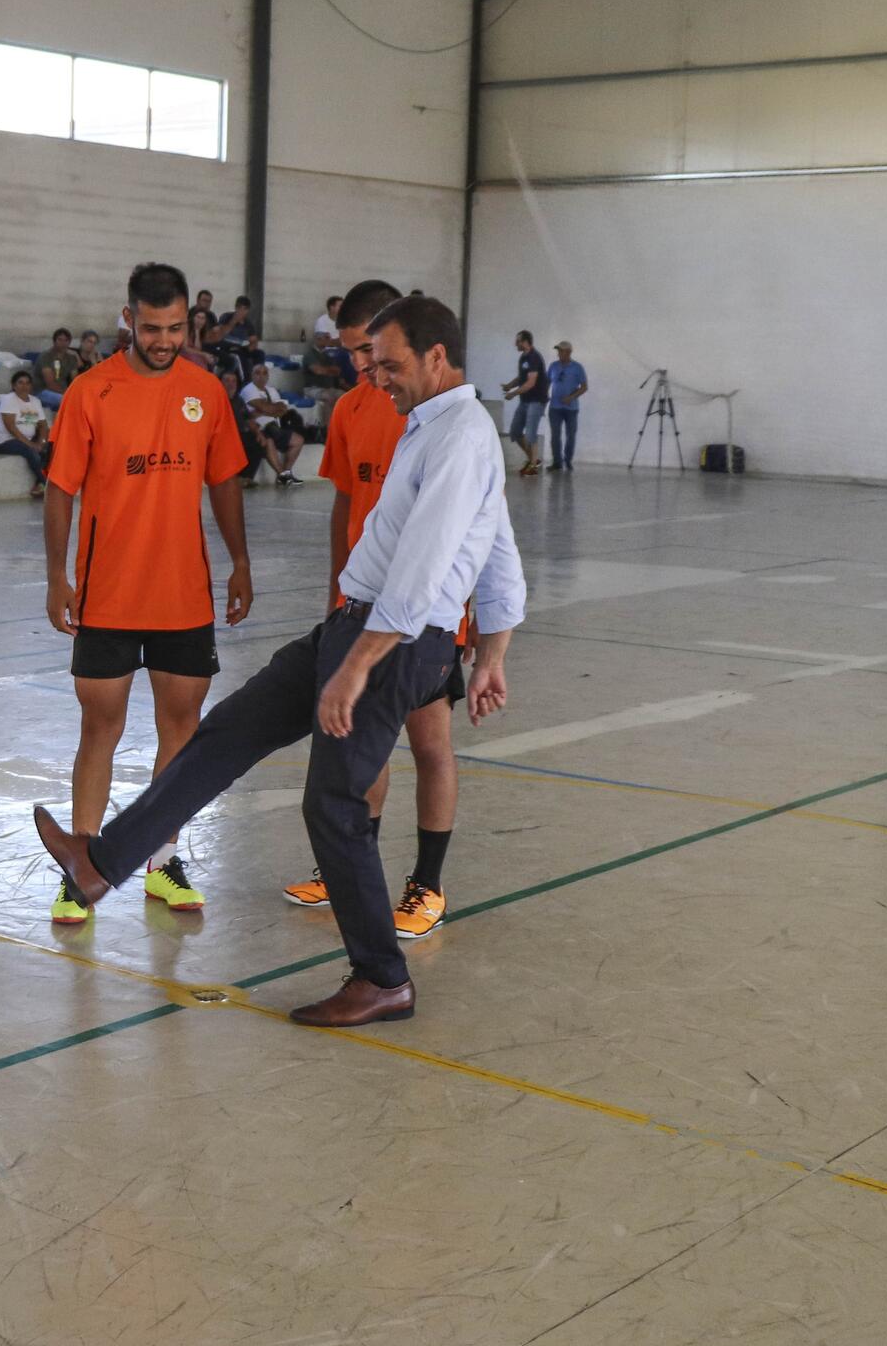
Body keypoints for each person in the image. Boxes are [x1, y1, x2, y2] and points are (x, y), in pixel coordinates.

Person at [34, 293, 525, 1026]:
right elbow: (501, 551)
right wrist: (493, 654)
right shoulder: (432, 426)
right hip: (353, 625)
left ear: (436, 357)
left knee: (333, 803)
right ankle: (101, 863)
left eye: (389, 363)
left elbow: (423, 574)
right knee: (228, 731)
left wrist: (358, 666)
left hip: (388, 644)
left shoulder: (459, 436)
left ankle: (382, 976)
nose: (376, 376)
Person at [38, 262, 253, 926]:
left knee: (181, 729)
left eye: (176, 327)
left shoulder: (206, 390)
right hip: (106, 593)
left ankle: (162, 859)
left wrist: (240, 559)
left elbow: (223, 480)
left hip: (183, 593)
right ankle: (79, 867)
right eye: (152, 327)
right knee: (99, 725)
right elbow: (59, 489)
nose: (164, 340)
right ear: (128, 318)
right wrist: (56, 576)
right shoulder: (90, 391)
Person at [282, 279, 467, 939]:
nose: (360, 365)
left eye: (369, 350)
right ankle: (347, 869)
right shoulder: (351, 410)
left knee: (428, 743)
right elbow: (343, 502)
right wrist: (337, 591)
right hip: (359, 609)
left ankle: (428, 884)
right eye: (350, 352)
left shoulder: (437, 416)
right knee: (360, 744)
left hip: (427, 616)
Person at [238, 361, 308, 487]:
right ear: (252, 375)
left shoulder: (272, 390)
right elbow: (269, 408)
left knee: (298, 440)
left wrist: (263, 410)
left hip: (275, 427)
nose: (261, 376)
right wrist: (270, 409)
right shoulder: (248, 390)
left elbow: (282, 411)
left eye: (264, 373)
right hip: (258, 429)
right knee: (269, 441)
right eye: (257, 373)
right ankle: (283, 476)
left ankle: (286, 473)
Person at [0, 369, 49, 497]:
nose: (24, 386)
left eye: (27, 383)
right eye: (20, 383)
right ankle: (47, 483)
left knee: (50, 449)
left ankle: (40, 484)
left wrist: (41, 442)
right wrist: (31, 444)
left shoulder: (35, 401)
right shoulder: (8, 400)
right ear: (13, 386)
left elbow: (43, 425)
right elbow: (11, 428)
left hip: (28, 440)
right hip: (6, 441)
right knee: (31, 451)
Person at [500, 329, 547, 476]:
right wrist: (509, 385)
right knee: (515, 431)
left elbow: (531, 383)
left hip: (536, 401)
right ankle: (533, 459)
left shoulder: (534, 357)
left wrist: (513, 394)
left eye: (518, 341)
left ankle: (532, 466)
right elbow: (522, 378)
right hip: (525, 401)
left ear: (525, 342)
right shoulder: (523, 358)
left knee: (531, 433)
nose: (515, 344)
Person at [546, 340, 587, 471]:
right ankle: (557, 462)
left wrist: (571, 397)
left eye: (561, 351)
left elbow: (584, 387)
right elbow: (547, 382)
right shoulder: (553, 366)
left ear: (569, 352)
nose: (559, 353)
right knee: (555, 435)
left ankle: (568, 460)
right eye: (558, 351)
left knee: (571, 435)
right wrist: (544, 396)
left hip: (571, 408)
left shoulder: (577, 367)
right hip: (555, 407)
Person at [35, 327, 80, 406]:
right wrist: (69, 394)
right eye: (60, 340)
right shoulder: (46, 356)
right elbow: (50, 383)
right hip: (42, 390)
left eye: (66, 340)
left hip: (63, 392)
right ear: (54, 341)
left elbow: (75, 380)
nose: (63, 343)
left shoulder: (71, 358)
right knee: (70, 402)